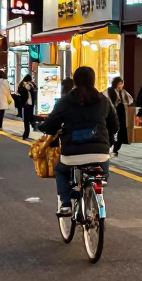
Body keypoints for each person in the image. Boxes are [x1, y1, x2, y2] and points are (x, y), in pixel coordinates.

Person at [39, 66, 118, 216]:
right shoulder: (103, 100)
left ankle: (66, 204)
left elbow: (51, 123)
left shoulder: (66, 100)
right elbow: (115, 125)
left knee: (60, 171)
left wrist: (43, 127)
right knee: (100, 174)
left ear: (75, 81)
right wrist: (108, 142)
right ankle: (95, 193)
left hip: (72, 153)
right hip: (100, 153)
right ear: (93, 80)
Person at [106, 76, 133, 155]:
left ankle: (116, 148)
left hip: (121, 114)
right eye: (119, 84)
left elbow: (130, 100)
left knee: (121, 131)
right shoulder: (109, 91)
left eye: (122, 84)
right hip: (112, 113)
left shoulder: (123, 92)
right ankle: (110, 146)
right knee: (112, 130)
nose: (121, 85)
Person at [17, 73, 38, 140]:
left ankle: (33, 126)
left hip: (31, 104)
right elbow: (19, 91)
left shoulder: (32, 84)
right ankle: (26, 133)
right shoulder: (22, 84)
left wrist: (32, 85)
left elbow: (36, 89)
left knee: (30, 117)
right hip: (25, 104)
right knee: (26, 119)